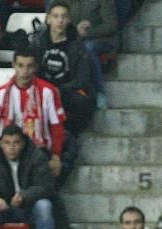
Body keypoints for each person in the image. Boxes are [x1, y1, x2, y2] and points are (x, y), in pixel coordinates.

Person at [0, 48, 68, 180]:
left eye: (29, 66)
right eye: (20, 66)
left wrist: (56, 155)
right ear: (13, 65)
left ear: (35, 67)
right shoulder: (1, 93)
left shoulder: (48, 91)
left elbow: (57, 125)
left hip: (38, 150)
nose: (25, 71)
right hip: (8, 150)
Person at [31, 1, 97, 136]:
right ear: (48, 19)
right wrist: (46, 89)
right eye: (55, 16)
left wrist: (59, 90)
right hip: (42, 90)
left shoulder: (77, 44)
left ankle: (70, 134)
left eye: (63, 16)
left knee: (83, 102)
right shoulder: (37, 43)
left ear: (69, 20)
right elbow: (31, 71)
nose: (60, 20)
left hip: (66, 91)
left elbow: (83, 79)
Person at [69, 0, 120, 111]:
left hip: (104, 40)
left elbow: (111, 25)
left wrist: (88, 32)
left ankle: (99, 92)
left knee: (88, 48)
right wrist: (75, 31)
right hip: (78, 39)